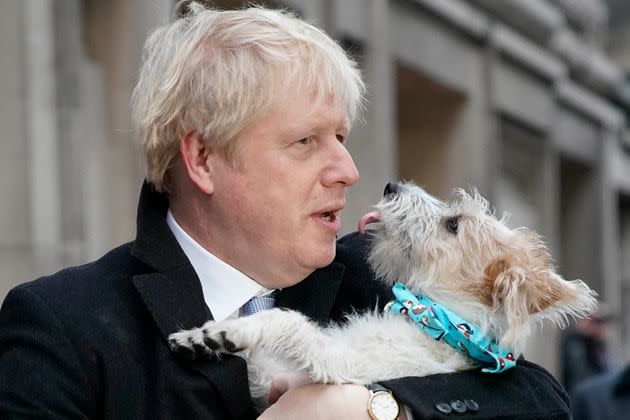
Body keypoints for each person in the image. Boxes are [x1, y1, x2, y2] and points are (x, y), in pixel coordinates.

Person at [0, 2, 572, 418]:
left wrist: (375, 408)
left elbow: (539, 400)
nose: (348, 170)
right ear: (202, 158)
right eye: (305, 142)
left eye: (343, 137)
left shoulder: (379, 279)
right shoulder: (59, 326)